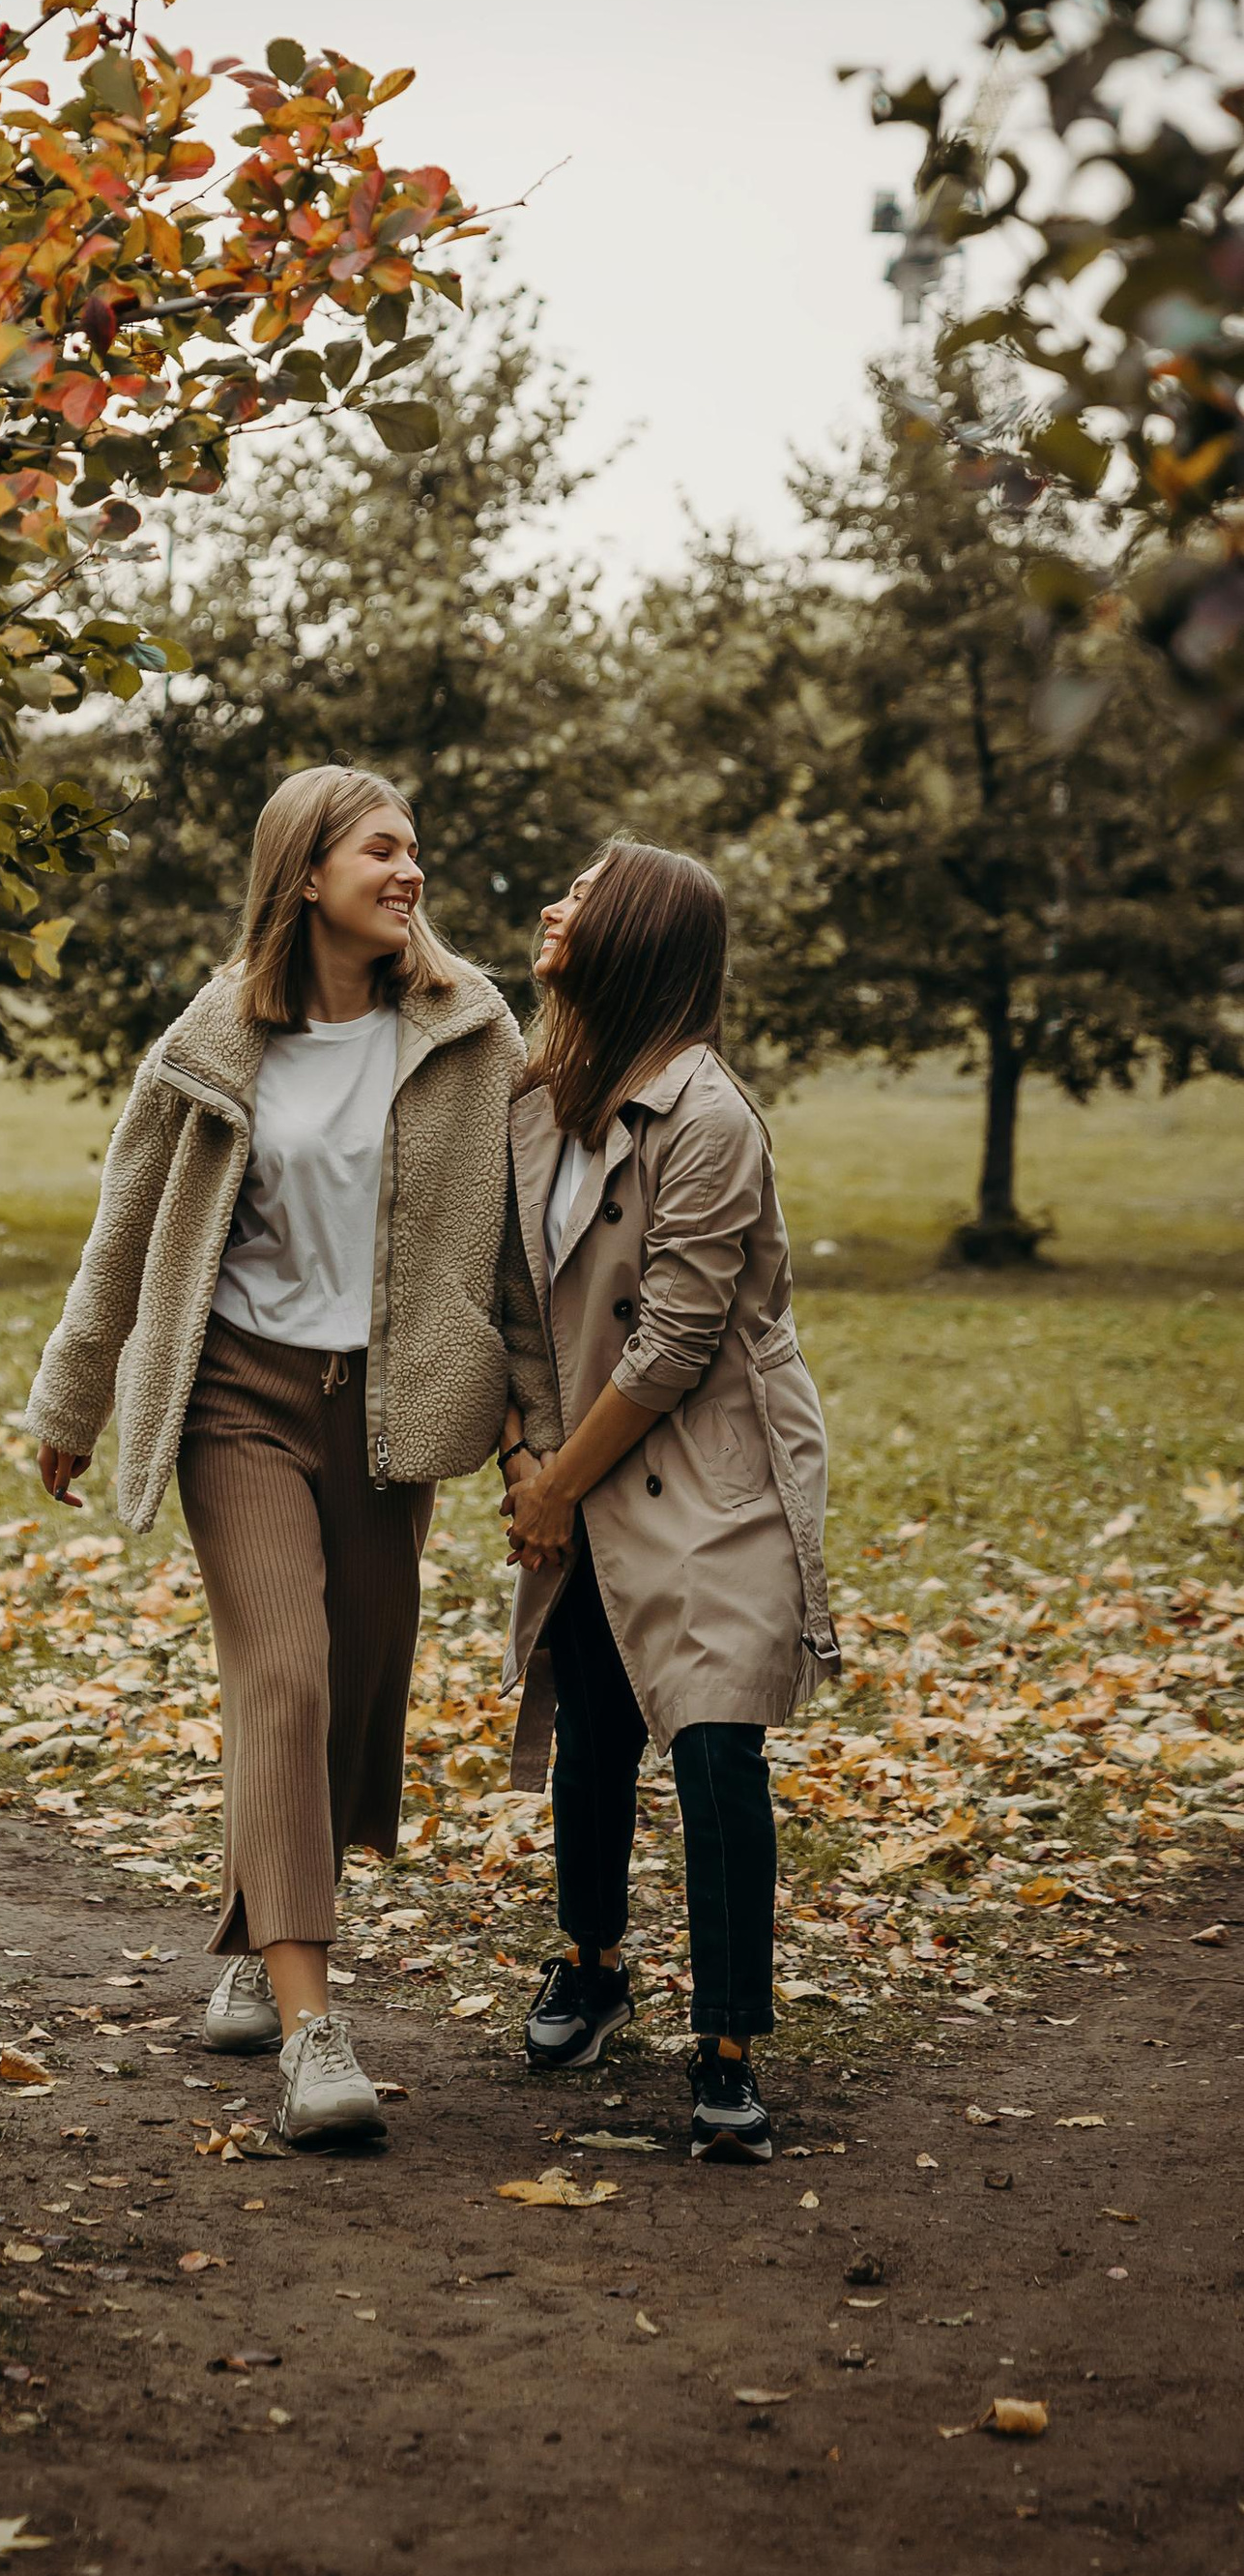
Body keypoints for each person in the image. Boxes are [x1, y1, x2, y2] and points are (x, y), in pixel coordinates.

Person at [22, 766, 521, 2147]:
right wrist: (75, 1390)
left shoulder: (471, 1030)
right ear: (305, 874)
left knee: (356, 1687)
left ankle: (249, 1935)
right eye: (382, 850)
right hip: (236, 1392)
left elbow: (515, 1244)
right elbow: (128, 1222)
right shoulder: (215, 1039)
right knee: (284, 1675)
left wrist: (535, 1418)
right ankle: (312, 2031)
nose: (409, 871)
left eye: (415, 851)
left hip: (387, 1407)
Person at [496, 839, 838, 2165]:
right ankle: (591, 1962)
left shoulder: (710, 1118)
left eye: (579, 894)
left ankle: (732, 2044)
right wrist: (531, 1465)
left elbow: (680, 1341)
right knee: (591, 1714)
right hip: (576, 1447)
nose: (552, 903)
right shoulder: (534, 1103)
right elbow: (518, 1305)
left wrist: (557, 1484)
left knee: (713, 1734)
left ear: (635, 933)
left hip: (709, 1466)